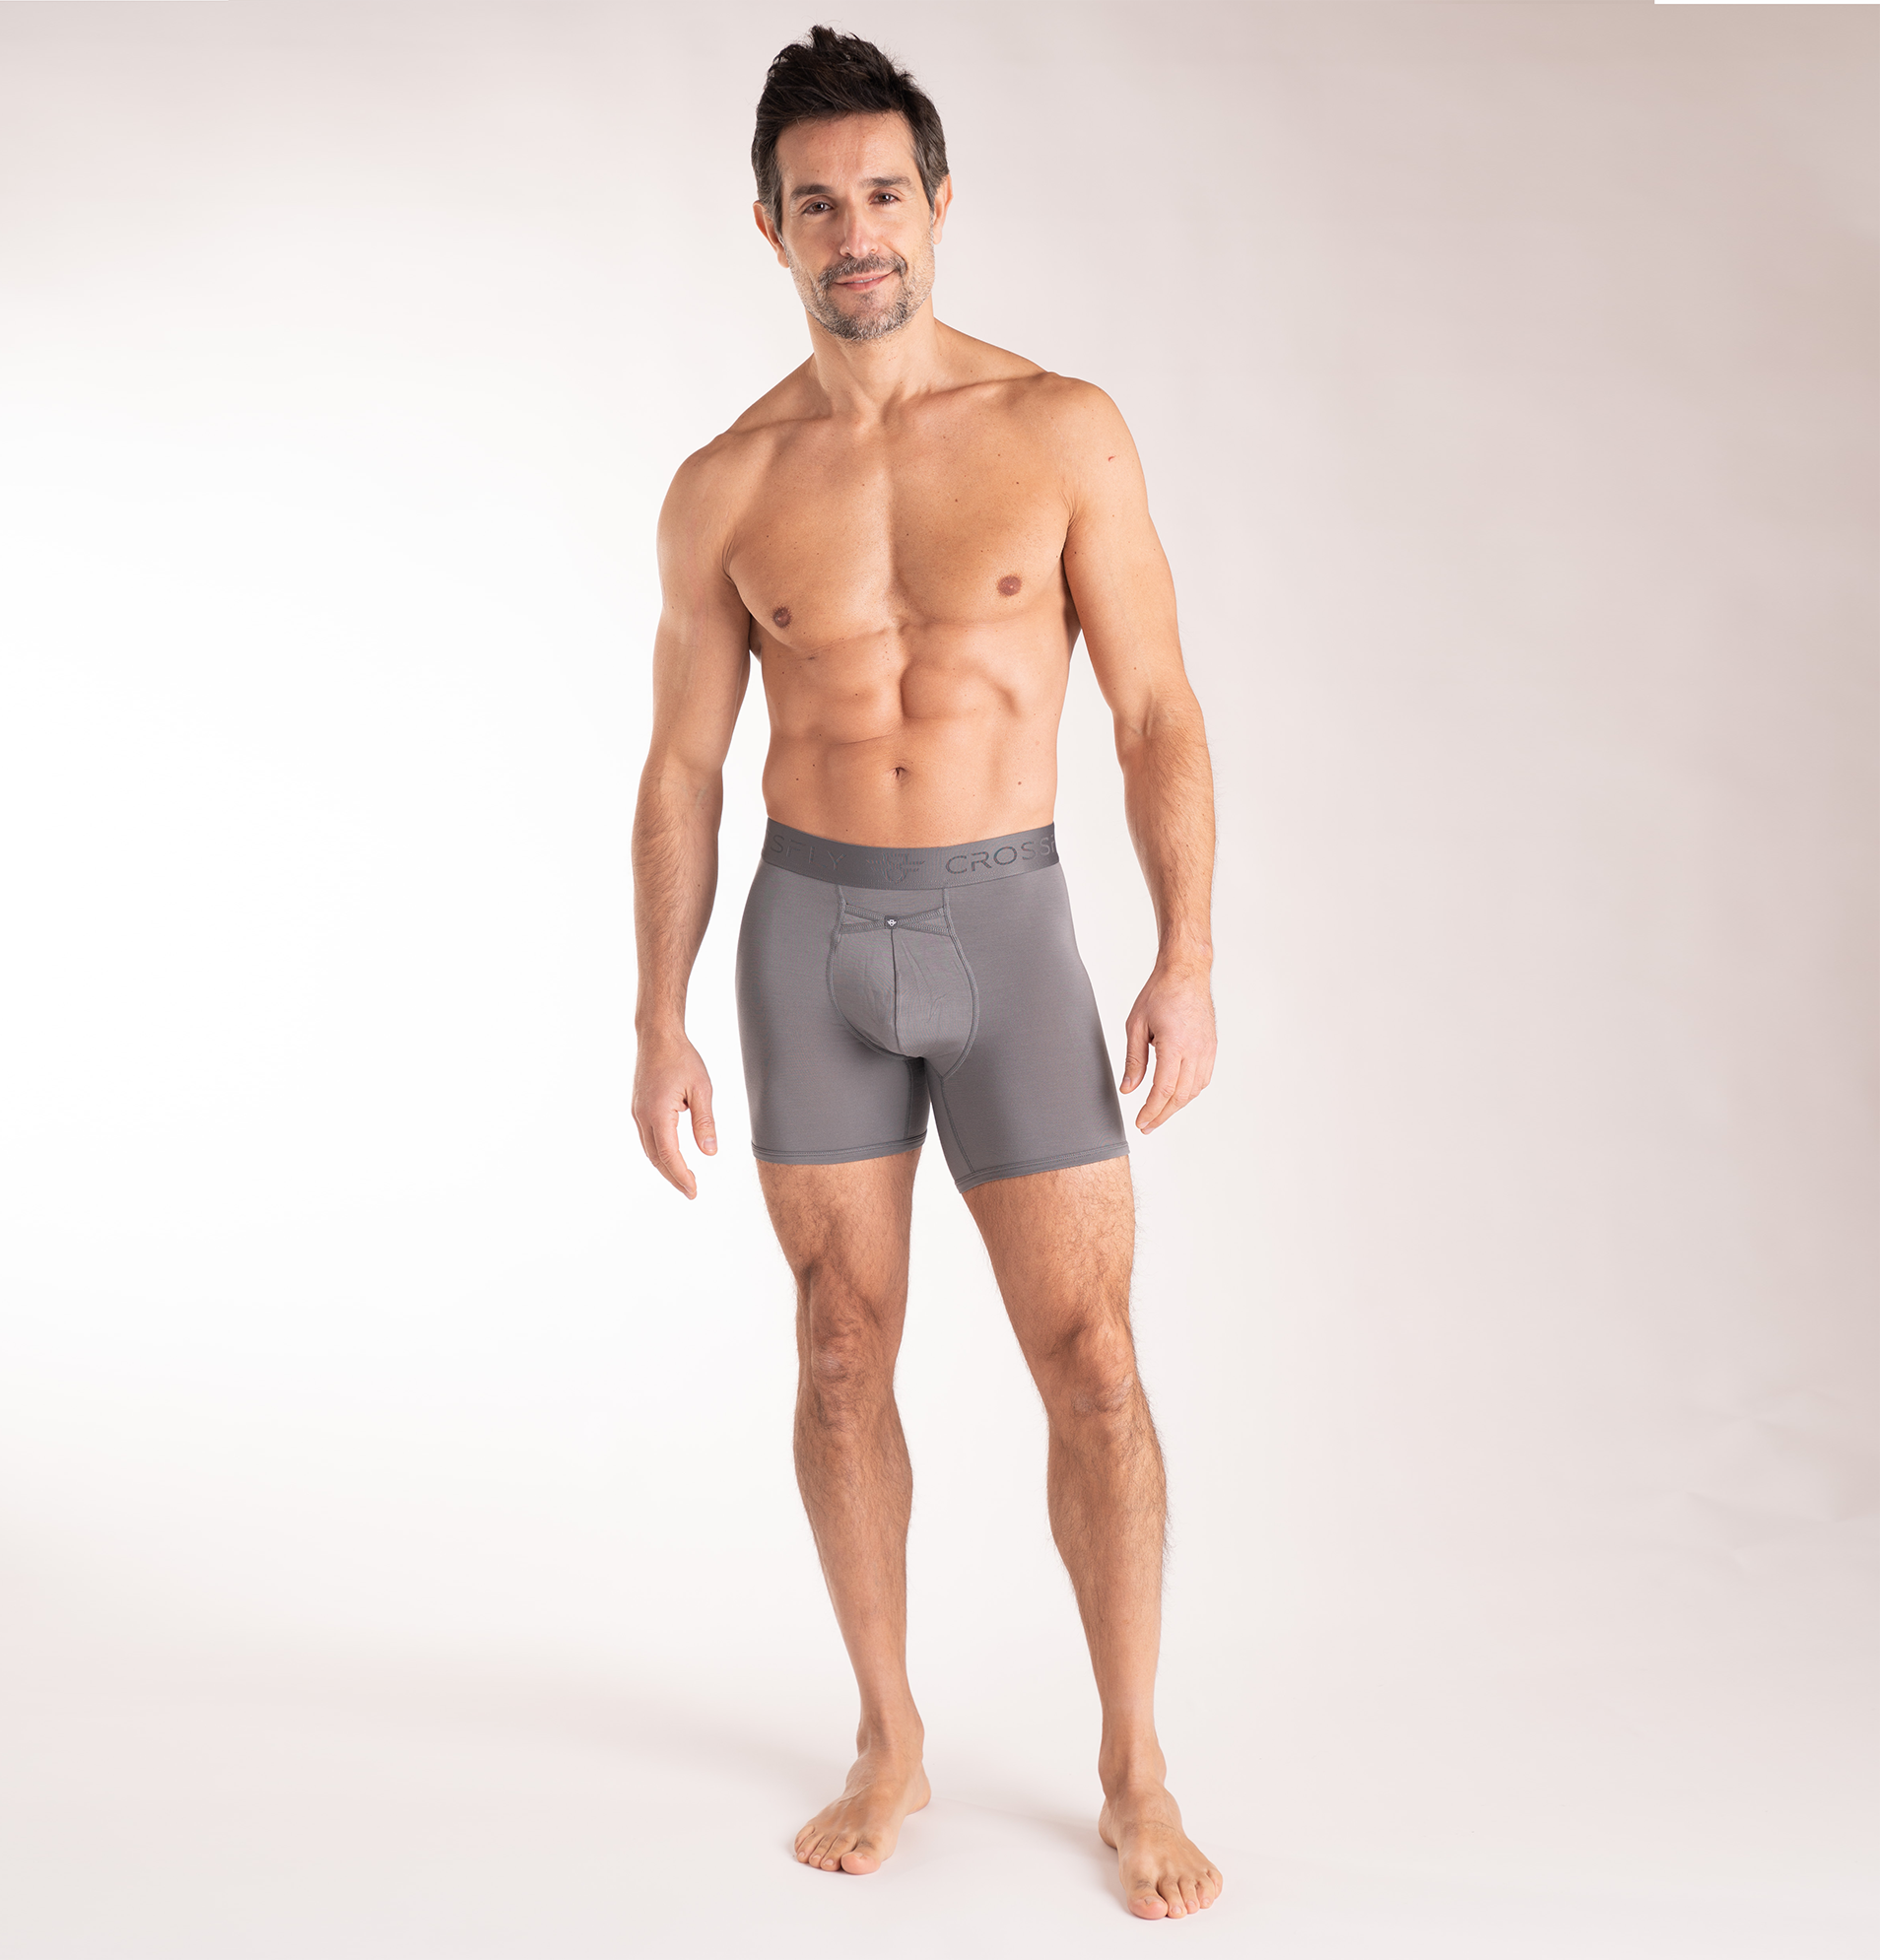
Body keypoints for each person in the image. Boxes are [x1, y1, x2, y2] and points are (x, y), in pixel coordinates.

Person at [630, 26, 1221, 1922]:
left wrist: (1186, 952)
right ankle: (888, 1734)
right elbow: (683, 768)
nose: (856, 231)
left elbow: (1154, 710)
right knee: (835, 1349)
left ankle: (1135, 1766)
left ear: (939, 203)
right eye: (818, 205)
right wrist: (655, 1016)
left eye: (884, 193)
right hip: (807, 939)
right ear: (770, 228)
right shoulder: (725, 485)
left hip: (1008, 930)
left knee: (1094, 1365)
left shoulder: (1060, 430)